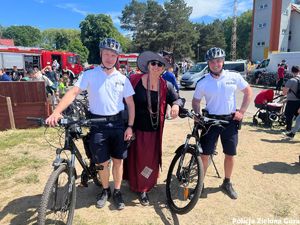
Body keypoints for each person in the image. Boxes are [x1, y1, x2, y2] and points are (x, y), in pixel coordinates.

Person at [45, 38, 135, 210]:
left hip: (117, 124)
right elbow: (73, 92)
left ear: (117, 57)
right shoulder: (90, 74)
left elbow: (130, 104)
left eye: (113, 55)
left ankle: (117, 191)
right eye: (107, 54)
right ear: (101, 54)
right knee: (102, 162)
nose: (110, 58)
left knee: (118, 161)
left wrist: (130, 126)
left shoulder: (123, 78)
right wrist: (57, 111)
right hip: (97, 124)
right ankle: (105, 190)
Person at [192, 47, 252, 199]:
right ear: (208, 63)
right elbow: (196, 100)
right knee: (205, 155)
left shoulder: (234, 77)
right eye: (212, 61)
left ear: (223, 61)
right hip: (210, 122)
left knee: (230, 154)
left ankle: (227, 182)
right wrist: (197, 114)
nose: (215, 64)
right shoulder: (203, 82)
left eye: (218, 61)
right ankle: (200, 183)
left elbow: (248, 92)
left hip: (229, 121)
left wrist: (242, 112)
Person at [124, 51, 183, 206]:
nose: (156, 67)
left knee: (148, 161)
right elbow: (123, 98)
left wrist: (176, 105)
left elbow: (177, 98)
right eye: (154, 63)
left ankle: (144, 188)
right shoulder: (134, 80)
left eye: (160, 64)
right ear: (148, 65)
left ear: (163, 68)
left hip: (153, 132)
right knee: (135, 158)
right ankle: (134, 183)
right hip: (136, 128)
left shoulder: (166, 85)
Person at [282, 65, 300, 131]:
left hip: (292, 101)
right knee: (298, 116)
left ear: (292, 71)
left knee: (289, 115)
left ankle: (288, 129)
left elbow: (284, 93)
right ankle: (297, 129)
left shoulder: (291, 80)